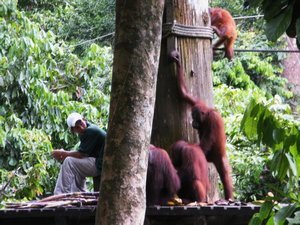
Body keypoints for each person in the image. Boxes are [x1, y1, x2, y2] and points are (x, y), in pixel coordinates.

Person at [52, 112, 106, 194]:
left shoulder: (91, 131)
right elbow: (83, 154)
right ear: (72, 130)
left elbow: (81, 154)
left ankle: (60, 193)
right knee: (74, 162)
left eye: (80, 122)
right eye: (77, 127)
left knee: (69, 161)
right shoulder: (86, 131)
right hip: (99, 163)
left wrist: (63, 153)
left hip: (100, 165)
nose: (80, 126)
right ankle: (80, 192)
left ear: (84, 119)